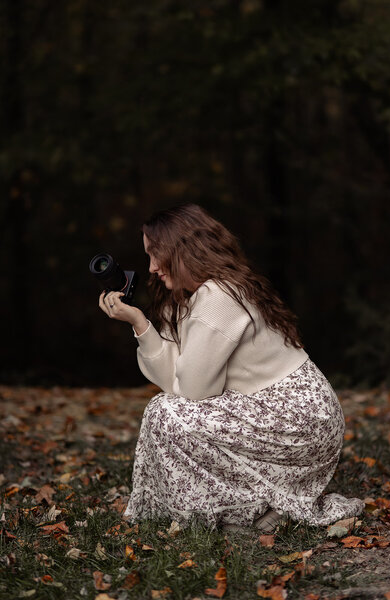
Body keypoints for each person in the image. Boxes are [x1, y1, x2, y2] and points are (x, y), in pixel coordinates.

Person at [99, 204, 364, 532]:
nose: (151, 267)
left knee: (163, 413)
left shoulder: (217, 297)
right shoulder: (196, 295)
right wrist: (140, 323)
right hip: (282, 411)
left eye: (156, 254)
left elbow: (192, 393)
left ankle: (239, 515)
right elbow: (178, 382)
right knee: (167, 411)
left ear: (183, 251)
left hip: (299, 417)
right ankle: (259, 510)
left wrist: (141, 323)